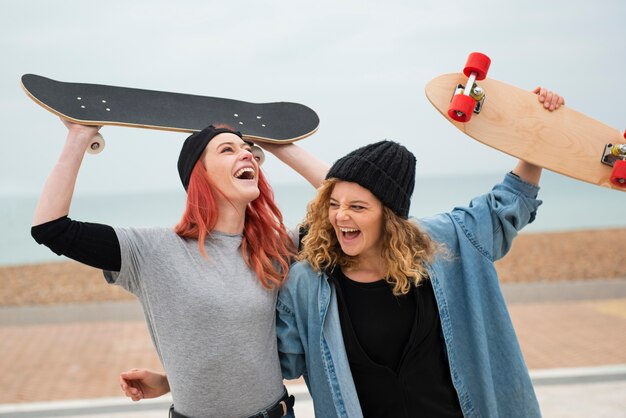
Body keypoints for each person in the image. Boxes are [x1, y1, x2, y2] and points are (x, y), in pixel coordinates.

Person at [119, 88, 564, 418]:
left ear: (388, 215)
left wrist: (538, 132)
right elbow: (271, 358)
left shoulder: (444, 244)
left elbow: (510, 203)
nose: (339, 217)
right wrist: (171, 379)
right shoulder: (308, 282)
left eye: (356, 207)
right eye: (332, 205)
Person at [31, 121, 326, 418]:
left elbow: (347, 198)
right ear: (201, 175)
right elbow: (51, 228)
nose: (247, 155)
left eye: (249, 150)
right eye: (227, 149)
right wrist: (79, 135)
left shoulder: (274, 247)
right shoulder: (153, 251)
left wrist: (281, 147)